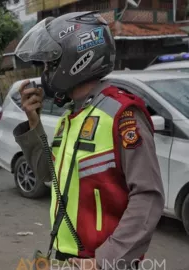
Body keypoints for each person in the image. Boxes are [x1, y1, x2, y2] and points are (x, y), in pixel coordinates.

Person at [12, 11, 164, 270]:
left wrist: (106, 260)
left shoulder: (122, 113)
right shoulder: (71, 117)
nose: (45, 73)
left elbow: (148, 197)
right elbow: (48, 176)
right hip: (65, 258)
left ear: (76, 57)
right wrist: (34, 123)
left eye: (51, 63)